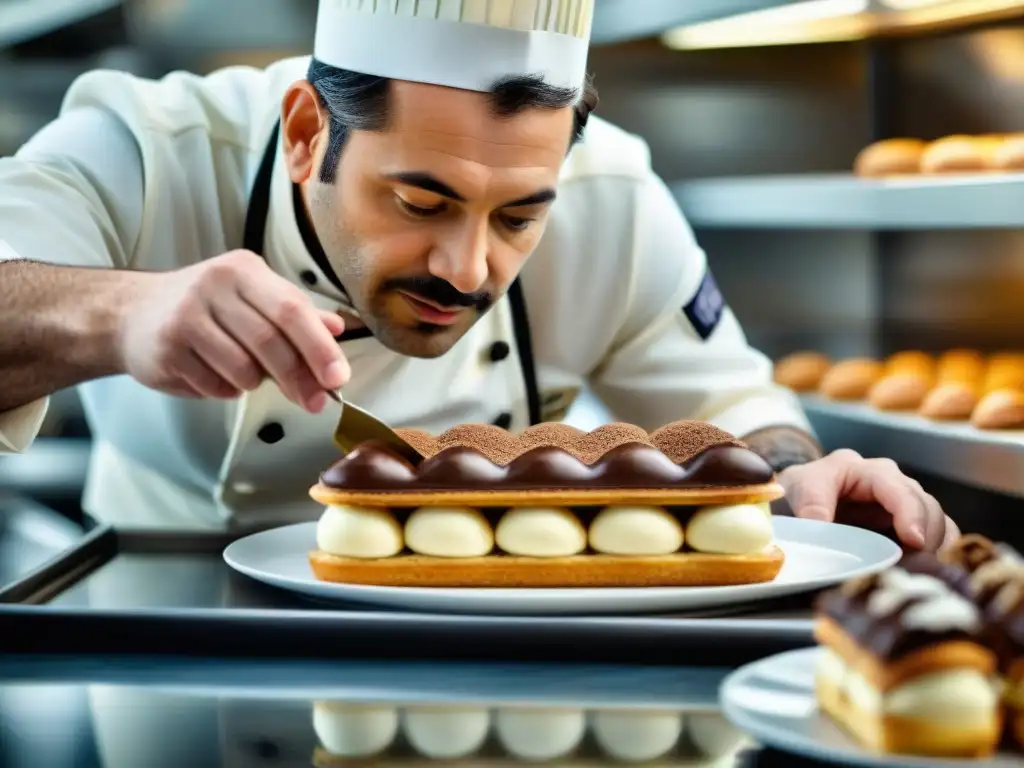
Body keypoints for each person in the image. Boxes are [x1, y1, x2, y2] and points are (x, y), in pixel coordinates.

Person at [0, 0, 956, 548]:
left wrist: (806, 483)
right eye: (421, 203)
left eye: (520, 216)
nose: (467, 269)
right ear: (304, 134)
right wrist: (119, 312)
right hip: (168, 603)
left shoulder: (616, 199)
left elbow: (735, 414)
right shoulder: (144, 150)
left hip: (490, 621)